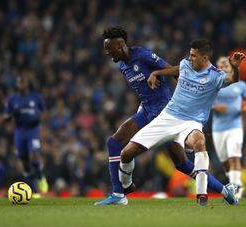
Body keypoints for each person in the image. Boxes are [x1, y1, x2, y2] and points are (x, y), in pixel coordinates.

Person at [95, 27, 237, 206]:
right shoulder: (123, 65)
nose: (107, 52)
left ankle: (225, 190)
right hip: (147, 109)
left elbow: (174, 71)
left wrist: (186, 102)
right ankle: (119, 192)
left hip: (165, 112)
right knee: (114, 142)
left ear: (120, 45)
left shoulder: (144, 55)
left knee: (182, 164)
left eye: (109, 47)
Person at [212, 56, 246, 199]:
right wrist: (215, 107)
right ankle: (237, 182)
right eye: (220, 67)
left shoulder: (240, 85)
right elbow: (204, 102)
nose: (223, 69)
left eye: (226, 66)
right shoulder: (214, 85)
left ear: (231, 67)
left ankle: (234, 188)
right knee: (224, 161)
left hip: (235, 126)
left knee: (234, 156)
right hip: (218, 128)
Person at [3, 74, 48, 197]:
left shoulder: (36, 97)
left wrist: (39, 121)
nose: (21, 85)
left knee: (34, 154)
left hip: (32, 130)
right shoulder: (12, 100)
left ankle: (40, 175)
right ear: (17, 85)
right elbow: (5, 117)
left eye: (23, 82)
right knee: (24, 161)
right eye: (19, 83)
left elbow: (44, 113)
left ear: (27, 84)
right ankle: (34, 190)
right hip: (19, 131)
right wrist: (11, 115)